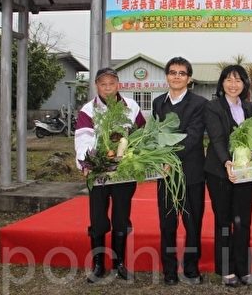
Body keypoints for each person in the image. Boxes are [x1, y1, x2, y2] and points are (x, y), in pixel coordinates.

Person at [74, 67, 146, 283]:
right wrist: (85, 162)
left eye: (111, 83)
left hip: (124, 172)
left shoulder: (131, 106)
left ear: (118, 85)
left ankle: (119, 263)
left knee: (121, 217)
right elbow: (83, 139)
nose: (107, 88)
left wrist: (137, 156)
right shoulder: (88, 110)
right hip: (98, 171)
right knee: (97, 218)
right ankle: (98, 265)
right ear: (96, 86)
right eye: (103, 84)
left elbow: (141, 134)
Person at [152, 57, 207, 286]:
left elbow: (193, 137)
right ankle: (170, 270)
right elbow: (154, 135)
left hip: (191, 174)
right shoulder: (158, 103)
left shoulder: (200, 104)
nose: (177, 76)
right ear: (167, 76)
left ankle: (192, 269)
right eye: (172, 72)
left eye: (182, 73)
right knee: (167, 225)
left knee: (192, 225)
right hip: (165, 176)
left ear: (189, 78)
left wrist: (170, 158)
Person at [203, 64, 252, 287]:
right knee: (224, 221)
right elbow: (216, 138)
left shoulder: (249, 107)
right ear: (222, 83)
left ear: (244, 84)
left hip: (246, 172)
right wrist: (227, 162)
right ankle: (226, 269)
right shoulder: (213, 107)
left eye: (238, 80)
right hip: (219, 172)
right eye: (229, 80)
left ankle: (243, 267)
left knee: (243, 221)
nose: (233, 85)